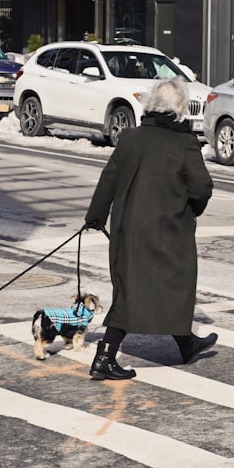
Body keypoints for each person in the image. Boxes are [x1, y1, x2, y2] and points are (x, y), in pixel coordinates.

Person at [83, 78, 216, 380]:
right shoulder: (184, 143)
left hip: (128, 230)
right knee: (176, 284)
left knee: (129, 290)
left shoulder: (130, 138)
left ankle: (186, 344)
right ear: (180, 108)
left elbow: (109, 179)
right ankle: (104, 359)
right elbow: (202, 186)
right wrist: (192, 209)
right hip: (169, 231)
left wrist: (96, 216)